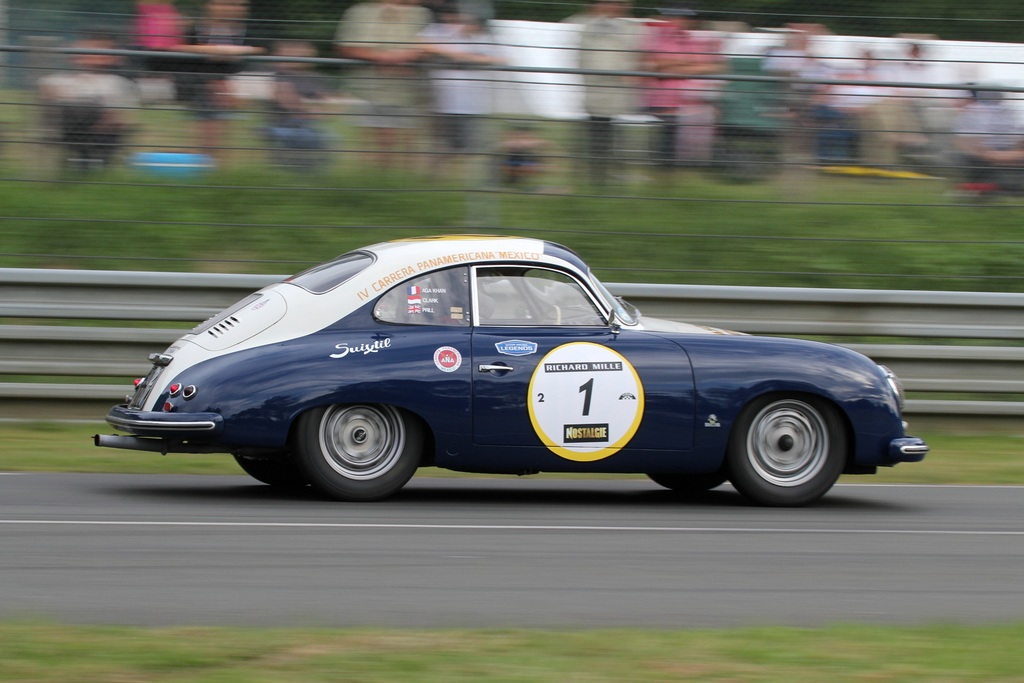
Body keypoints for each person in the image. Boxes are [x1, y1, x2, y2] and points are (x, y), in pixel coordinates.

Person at [335, 0, 432, 168]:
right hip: (370, 90)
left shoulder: (422, 14)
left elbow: (432, 46)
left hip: (410, 91)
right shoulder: (360, 12)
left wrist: (407, 57)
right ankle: (375, 183)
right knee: (376, 145)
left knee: (410, 145)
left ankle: (403, 185)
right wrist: (382, 58)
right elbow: (345, 47)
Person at [173, 0, 264, 162]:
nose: (234, 9)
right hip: (202, 83)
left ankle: (212, 165)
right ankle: (204, 162)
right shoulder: (197, 29)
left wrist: (227, 53)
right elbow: (179, 47)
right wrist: (219, 51)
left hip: (236, 80)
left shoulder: (246, 31)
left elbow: (259, 49)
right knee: (209, 131)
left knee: (221, 133)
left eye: (240, 5)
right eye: (226, 4)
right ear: (211, 5)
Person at [418, 4, 503, 176]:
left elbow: (498, 59)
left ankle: (467, 182)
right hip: (443, 102)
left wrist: (464, 57)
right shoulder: (441, 32)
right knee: (441, 142)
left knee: (468, 147)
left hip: (472, 104)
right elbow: (421, 44)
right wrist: (454, 54)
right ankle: (434, 177)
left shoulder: (485, 38)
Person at [38, 34, 140, 171]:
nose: (90, 54)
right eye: (85, 50)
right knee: (73, 107)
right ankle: (82, 159)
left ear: (114, 57)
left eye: (98, 50)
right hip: (67, 126)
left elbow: (123, 116)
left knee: (97, 110)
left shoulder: (117, 82)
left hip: (102, 128)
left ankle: (92, 162)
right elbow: (47, 93)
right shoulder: (59, 79)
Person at [639, 3, 724, 168]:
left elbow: (713, 66)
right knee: (668, 138)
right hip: (663, 101)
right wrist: (687, 63)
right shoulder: (657, 37)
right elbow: (654, 65)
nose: (679, 21)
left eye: (684, 17)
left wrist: (675, 65)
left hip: (690, 101)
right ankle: (665, 170)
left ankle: (683, 167)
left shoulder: (693, 39)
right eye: (674, 16)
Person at [575, 0, 643, 185]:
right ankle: (598, 177)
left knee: (619, 135)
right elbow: (593, 61)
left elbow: (638, 55)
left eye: (617, 3)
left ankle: (616, 175)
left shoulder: (633, 27)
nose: (614, 7)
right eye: (608, 2)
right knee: (599, 134)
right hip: (598, 92)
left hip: (623, 93)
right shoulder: (583, 25)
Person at [264, 40, 335, 170]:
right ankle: (295, 171)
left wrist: (313, 110)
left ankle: (309, 172)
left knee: (330, 137)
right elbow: (286, 100)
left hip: (310, 124)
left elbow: (328, 103)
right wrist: (312, 109)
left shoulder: (315, 77)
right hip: (282, 123)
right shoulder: (277, 75)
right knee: (306, 137)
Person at [953, 88, 1024, 195]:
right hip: (982, 155)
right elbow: (966, 144)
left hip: (1006, 152)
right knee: (974, 162)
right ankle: (987, 188)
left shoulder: (1010, 111)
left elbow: (1019, 139)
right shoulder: (973, 112)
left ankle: (997, 188)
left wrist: (1012, 154)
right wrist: (991, 155)